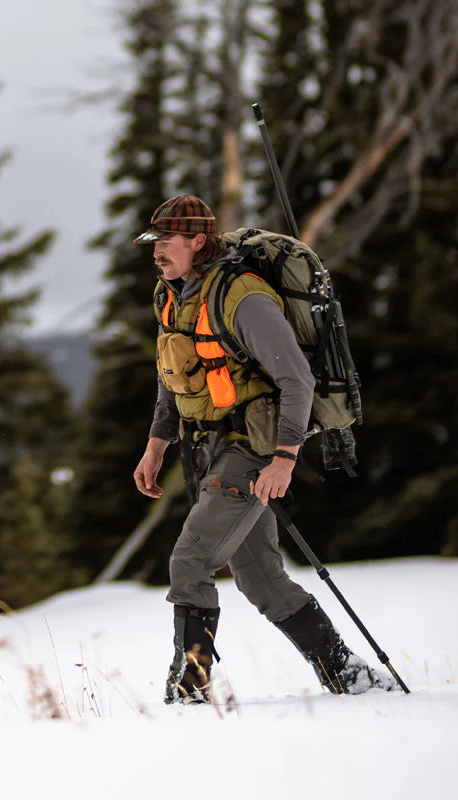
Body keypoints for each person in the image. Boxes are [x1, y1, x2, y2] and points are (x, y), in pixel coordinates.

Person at [132, 194, 396, 703]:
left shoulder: (243, 297)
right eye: (155, 242)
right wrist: (155, 444)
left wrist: (284, 460)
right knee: (261, 579)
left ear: (198, 242)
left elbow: (296, 380)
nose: (158, 252)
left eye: (167, 242)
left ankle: (190, 685)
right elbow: (172, 374)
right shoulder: (170, 294)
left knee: (191, 559)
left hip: (253, 447)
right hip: (208, 446)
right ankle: (347, 673)